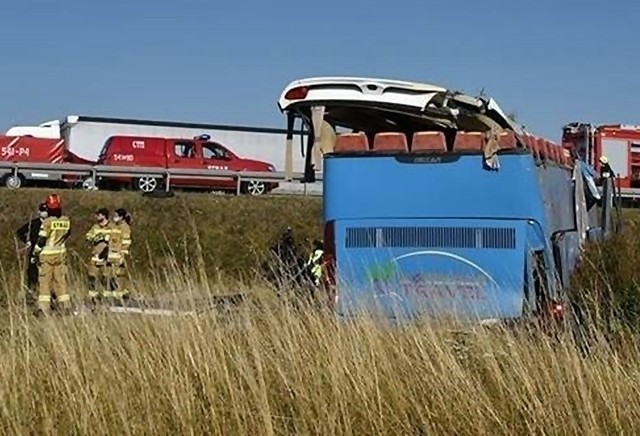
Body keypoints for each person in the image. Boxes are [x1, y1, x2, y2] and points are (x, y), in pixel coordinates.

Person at [32, 194, 72, 316]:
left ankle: (44, 308)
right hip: (60, 254)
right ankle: (65, 307)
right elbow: (68, 234)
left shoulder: (48, 222)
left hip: (47, 256)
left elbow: (41, 240)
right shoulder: (66, 220)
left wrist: (35, 252)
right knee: (60, 281)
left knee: (45, 281)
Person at [15, 202, 48, 307]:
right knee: (32, 273)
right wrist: (27, 241)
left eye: (46, 211)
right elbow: (20, 232)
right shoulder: (34, 223)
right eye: (43, 211)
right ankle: (31, 292)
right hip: (34, 251)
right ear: (39, 212)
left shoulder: (50, 223)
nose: (44, 213)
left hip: (47, 251)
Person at [85, 208, 112, 303]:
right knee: (91, 277)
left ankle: (106, 299)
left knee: (105, 278)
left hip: (106, 257)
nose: (96, 217)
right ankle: (92, 298)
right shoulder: (95, 227)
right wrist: (94, 237)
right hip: (95, 255)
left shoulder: (111, 227)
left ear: (104, 216)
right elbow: (88, 236)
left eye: (98, 215)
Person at [106, 208, 133, 302]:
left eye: (116, 216)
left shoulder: (125, 227)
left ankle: (123, 293)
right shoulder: (113, 226)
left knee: (119, 275)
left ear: (121, 217)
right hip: (111, 254)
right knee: (110, 275)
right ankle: (113, 294)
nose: (114, 218)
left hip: (119, 254)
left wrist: (123, 255)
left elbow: (126, 242)